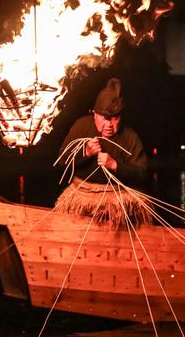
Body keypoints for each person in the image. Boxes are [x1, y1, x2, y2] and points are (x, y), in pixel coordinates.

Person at [55, 77, 151, 227]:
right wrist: (85, 152)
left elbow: (143, 174)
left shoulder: (130, 136)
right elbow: (61, 161)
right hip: (83, 196)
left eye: (114, 119)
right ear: (95, 114)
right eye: (104, 118)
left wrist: (115, 165)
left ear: (120, 117)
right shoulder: (81, 126)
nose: (109, 125)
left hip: (118, 201)